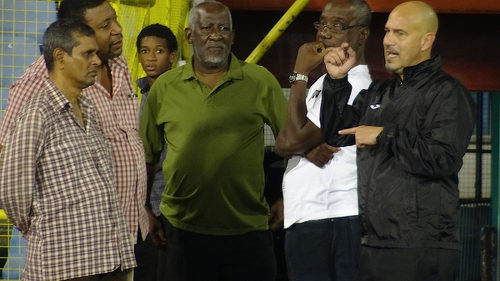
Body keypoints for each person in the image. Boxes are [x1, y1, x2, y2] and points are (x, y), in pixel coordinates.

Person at [320, 1, 475, 280]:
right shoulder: (379, 92)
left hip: (422, 246)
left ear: (427, 40)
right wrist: (336, 83)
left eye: (400, 33)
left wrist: (383, 135)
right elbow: (336, 134)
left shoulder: (448, 92)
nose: (388, 41)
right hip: (373, 241)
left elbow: (443, 159)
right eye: (388, 31)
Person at [139, 1, 288, 280]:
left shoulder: (260, 81)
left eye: (223, 28)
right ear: (189, 35)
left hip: (249, 232)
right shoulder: (165, 88)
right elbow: (145, 155)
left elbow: (292, 142)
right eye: (206, 28)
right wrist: (145, 208)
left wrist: (285, 196)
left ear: (232, 35)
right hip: (180, 231)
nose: (216, 35)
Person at [0, 0, 148, 266]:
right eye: (105, 25)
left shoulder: (120, 65)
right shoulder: (40, 79)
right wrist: (43, 228)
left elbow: (129, 142)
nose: (117, 29)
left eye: (114, 19)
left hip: (128, 237)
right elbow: (10, 164)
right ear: (77, 34)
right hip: (76, 248)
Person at [274, 0, 371, 280]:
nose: (325, 33)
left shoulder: (356, 84)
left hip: (335, 217)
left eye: (337, 26)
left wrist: (300, 71)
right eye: (323, 24)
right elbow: (282, 144)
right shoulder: (324, 83)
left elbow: (291, 141)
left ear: (362, 34)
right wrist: (303, 149)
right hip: (311, 215)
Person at [134, 23, 177, 281]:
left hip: (168, 203)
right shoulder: (139, 94)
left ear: (172, 56)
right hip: (146, 203)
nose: (150, 57)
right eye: (145, 51)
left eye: (158, 51)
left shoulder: (176, 94)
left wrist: (148, 207)